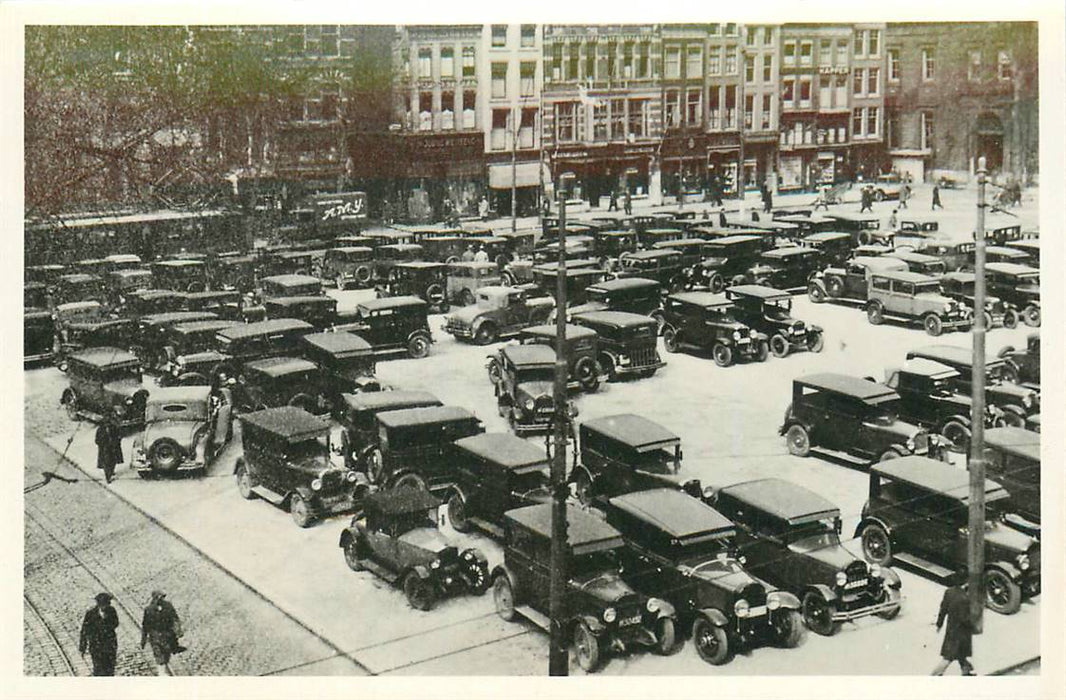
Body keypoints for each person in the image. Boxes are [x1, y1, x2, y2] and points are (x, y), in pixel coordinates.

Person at [932, 574, 975, 676]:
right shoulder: (965, 598)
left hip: (951, 630)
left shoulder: (949, 592)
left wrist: (939, 623)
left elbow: (943, 609)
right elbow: (965, 618)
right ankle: (933, 676)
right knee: (949, 657)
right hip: (961, 633)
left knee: (961, 654)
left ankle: (966, 671)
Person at [141, 590, 182, 676]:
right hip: (155, 635)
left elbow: (175, 618)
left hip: (167, 634)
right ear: (154, 598)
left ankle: (163, 667)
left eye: (162, 597)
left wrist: (178, 630)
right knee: (158, 653)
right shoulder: (149, 609)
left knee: (166, 653)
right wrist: (143, 639)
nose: (160, 599)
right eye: (158, 597)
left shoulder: (168, 606)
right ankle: (161, 673)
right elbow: (145, 625)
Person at [79, 592, 119, 676]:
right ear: (99, 604)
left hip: (110, 646)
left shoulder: (111, 611)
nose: (106, 606)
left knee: (110, 670)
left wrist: (106, 621)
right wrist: (82, 647)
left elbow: (116, 623)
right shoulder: (90, 614)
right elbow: (84, 630)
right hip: (96, 647)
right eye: (104, 604)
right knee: (98, 670)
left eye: (107, 604)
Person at [95, 408, 123, 484]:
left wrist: (116, 442)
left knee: (113, 461)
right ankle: (108, 477)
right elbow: (97, 440)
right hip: (105, 449)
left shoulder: (114, 427)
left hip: (113, 447)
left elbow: (119, 436)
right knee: (107, 463)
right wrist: (103, 445)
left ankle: (111, 472)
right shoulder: (100, 430)